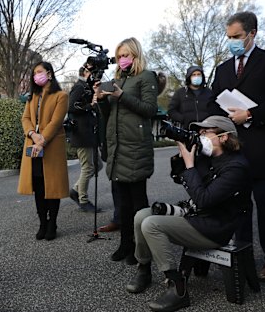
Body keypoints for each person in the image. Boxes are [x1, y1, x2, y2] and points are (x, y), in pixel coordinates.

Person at [127, 116, 251, 312]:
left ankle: (177, 288)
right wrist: (183, 155)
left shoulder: (236, 167)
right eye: (199, 132)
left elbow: (204, 199)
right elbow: (179, 179)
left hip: (214, 227)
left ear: (224, 137)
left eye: (205, 132)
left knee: (151, 224)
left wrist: (191, 165)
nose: (200, 136)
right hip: (196, 215)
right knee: (141, 216)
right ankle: (144, 268)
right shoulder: (207, 156)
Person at [208, 11, 265, 282]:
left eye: (237, 37)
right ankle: (242, 257)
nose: (232, 41)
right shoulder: (222, 69)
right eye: (229, 37)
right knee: (238, 206)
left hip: (262, 146)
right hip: (233, 149)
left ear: (252, 34)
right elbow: (213, 100)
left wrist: (252, 114)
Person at [93, 37, 159, 264]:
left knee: (138, 202)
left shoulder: (146, 77)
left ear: (135, 55)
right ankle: (125, 244)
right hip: (117, 147)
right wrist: (101, 99)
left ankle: (142, 249)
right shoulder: (116, 79)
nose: (121, 60)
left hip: (135, 147)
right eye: (119, 56)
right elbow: (109, 114)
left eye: (126, 55)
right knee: (122, 203)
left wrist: (122, 95)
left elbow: (150, 109)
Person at [17, 61, 69, 241]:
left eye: (39, 72)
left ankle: (52, 222)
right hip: (33, 145)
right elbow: (25, 118)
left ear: (49, 73)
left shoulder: (61, 96)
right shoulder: (32, 96)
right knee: (38, 186)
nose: (36, 76)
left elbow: (56, 122)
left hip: (51, 146)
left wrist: (42, 139)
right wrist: (32, 134)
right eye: (34, 73)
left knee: (51, 186)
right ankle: (42, 223)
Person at [67, 64, 102, 212]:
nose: (97, 76)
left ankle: (75, 190)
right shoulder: (79, 87)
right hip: (81, 134)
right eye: (94, 73)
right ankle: (83, 200)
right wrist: (90, 105)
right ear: (85, 72)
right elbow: (71, 107)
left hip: (89, 133)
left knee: (98, 165)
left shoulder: (87, 87)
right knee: (88, 167)